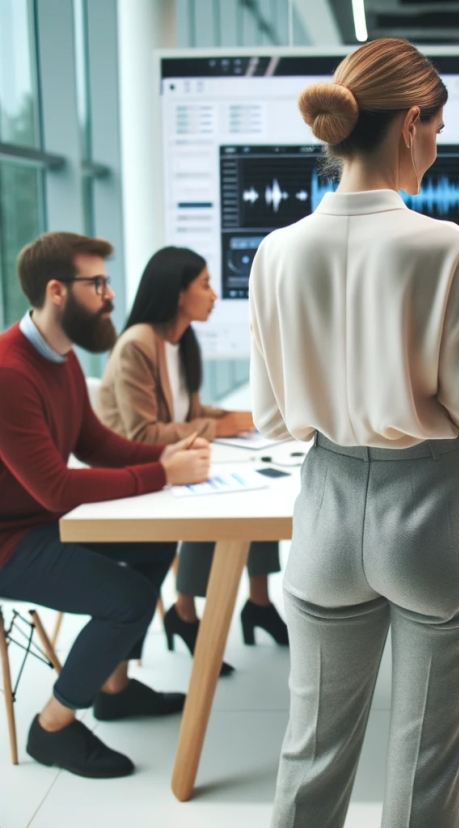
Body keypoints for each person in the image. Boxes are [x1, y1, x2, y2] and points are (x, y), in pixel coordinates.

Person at [248, 39, 459, 828]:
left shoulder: (276, 250)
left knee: (311, 758)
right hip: (433, 517)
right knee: (426, 774)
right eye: (437, 125)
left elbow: (270, 417)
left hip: (326, 513)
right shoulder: (444, 245)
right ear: (410, 126)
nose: (437, 143)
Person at [0, 232, 210, 778]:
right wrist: (161, 473)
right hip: (11, 542)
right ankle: (52, 725)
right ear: (57, 292)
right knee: (129, 599)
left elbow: (94, 444)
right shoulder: (8, 373)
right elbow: (56, 488)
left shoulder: (61, 356)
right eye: (97, 284)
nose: (110, 295)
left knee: (157, 537)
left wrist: (166, 452)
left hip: (46, 523)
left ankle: (113, 689)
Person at [98, 247, 286, 677]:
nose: (214, 294)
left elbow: (190, 414)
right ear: (177, 293)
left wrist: (251, 418)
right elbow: (142, 434)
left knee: (250, 494)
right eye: (204, 284)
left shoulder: (178, 342)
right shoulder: (137, 345)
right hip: (133, 479)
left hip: (172, 464)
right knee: (221, 506)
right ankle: (188, 613)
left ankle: (255, 604)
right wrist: (226, 426)